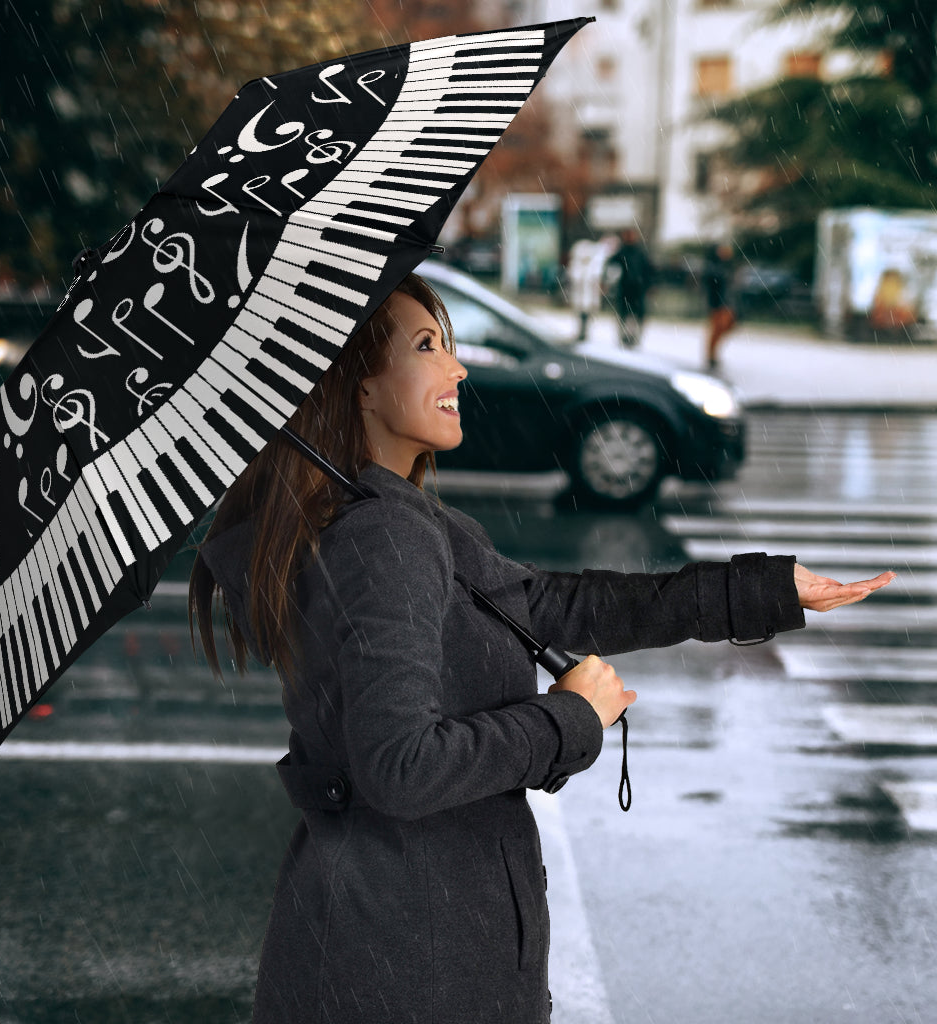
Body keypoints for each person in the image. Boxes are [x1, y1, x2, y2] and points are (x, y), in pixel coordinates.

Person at [189, 273, 893, 1024]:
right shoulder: (381, 538)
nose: (457, 368)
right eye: (428, 347)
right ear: (358, 387)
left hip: (398, 943)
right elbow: (400, 767)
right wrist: (567, 718)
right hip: (409, 963)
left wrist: (761, 590)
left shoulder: (396, 521)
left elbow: (556, 605)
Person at [603, 227, 654, 348]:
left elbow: (648, 270)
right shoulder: (622, 252)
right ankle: (624, 336)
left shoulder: (640, 253)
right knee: (624, 313)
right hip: (625, 288)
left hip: (638, 289)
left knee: (635, 315)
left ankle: (633, 337)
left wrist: (649, 285)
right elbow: (610, 265)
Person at [704, 242, 737, 370]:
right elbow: (713, 283)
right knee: (717, 329)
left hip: (726, 302)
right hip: (718, 303)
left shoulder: (727, 266)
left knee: (725, 327)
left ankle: (713, 354)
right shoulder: (714, 267)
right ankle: (711, 355)